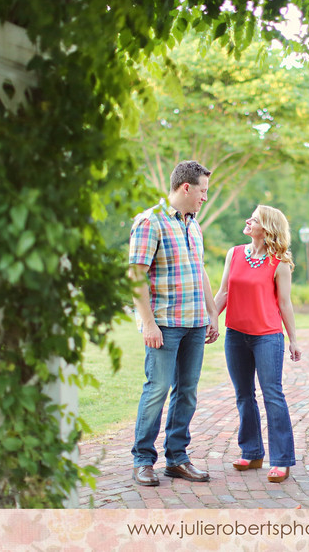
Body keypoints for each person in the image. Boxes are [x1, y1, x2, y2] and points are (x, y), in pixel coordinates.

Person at [128, 160, 219, 486]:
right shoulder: (150, 222)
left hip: (194, 324)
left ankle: (177, 458)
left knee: (187, 393)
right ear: (186, 187)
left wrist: (211, 313)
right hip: (164, 325)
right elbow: (135, 276)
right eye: (203, 191)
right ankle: (143, 460)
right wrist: (148, 324)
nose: (204, 198)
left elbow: (200, 270)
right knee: (157, 390)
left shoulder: (193, 225)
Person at [213, 205, 301, 483]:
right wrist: (210, 320)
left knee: (272, 395)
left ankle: (281, 460)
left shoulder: (280, 262)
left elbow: (285, 304)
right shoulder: (235, 253)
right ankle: (251, 453)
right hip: (235, 335)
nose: (248, 220)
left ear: (267, 227)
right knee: (243, 395)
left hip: (268, 337)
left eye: (255, 218)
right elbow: (223, 292)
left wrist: (294, 339)